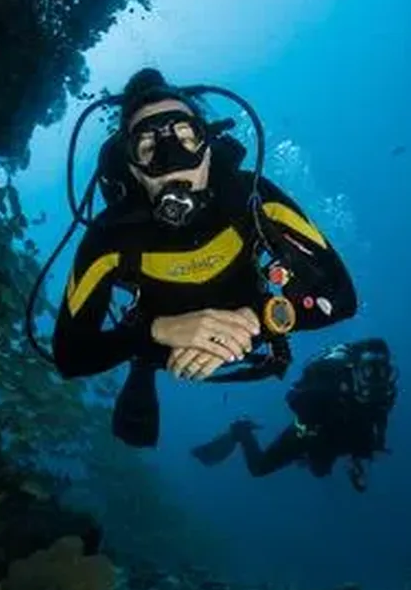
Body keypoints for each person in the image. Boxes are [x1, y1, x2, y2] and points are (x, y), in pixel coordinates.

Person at [51, 68, 358, 447]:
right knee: (143, 355)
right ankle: (144, 363)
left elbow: (342, 298)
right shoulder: (110, 236)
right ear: (132, 168)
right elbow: (70, 355)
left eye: (185, 137)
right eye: (147, 148)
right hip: (161, 343)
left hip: (254, 326)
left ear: (208, 145)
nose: (171, 160)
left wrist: (257, 320)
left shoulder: (253, 197)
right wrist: (155, 332)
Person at [191, 338, 398, 492]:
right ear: (356, 368)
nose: (377, 378)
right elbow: (293, 397)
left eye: (383, 371)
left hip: (341, 434)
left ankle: (313, 457)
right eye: (370, 370)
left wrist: (361, 457)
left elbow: (380, 419)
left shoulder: (386, 393)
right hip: (310, 432)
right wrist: (310, 423)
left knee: (320, 471)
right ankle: (241, 430)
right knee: (259, 468)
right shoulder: (330, 378)